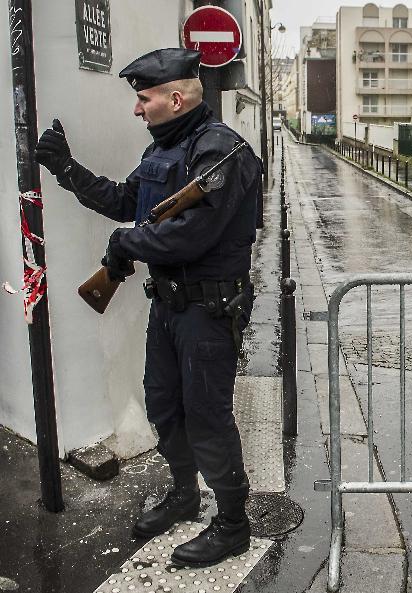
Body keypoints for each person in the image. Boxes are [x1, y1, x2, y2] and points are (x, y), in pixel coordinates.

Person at [35, 48, 262, 567]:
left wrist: (127, 243)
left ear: (174, 98)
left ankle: (232, 524)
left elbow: (190, 237)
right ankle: (185, 495)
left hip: (209, 309)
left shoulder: (222, 153)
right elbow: (125, 202)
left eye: (144, 98)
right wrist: (65, 168)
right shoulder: (164, 150)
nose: (137, 109)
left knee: (207, 418)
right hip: (168, 307)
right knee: (164, 406)